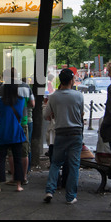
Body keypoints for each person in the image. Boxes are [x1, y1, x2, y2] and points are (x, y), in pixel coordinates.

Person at [43, 69, 84, 204]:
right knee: (73, 165)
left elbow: (46, 115)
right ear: (72, 81)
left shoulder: (54, 97)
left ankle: (50, 190)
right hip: (76, 133)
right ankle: (70, 196)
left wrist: (54, 114)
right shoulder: (78, 95)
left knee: (55, 163)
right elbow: (81, 114)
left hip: (60, 132)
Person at [0, 68, 35, 185]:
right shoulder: (25, 86)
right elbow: (32, 104)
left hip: (8, 123)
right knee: (23, 151)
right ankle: (23, 177)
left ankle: (14, 178)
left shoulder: (3, 88)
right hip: (24, 121)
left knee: (11, 153)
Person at [0, 80, 26, 193]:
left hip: (3, 133)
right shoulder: (21, 101)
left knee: (0, 159)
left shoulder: (0, 102)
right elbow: (20, 115)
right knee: (18, 159)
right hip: (16, 133)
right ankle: (18, 185)